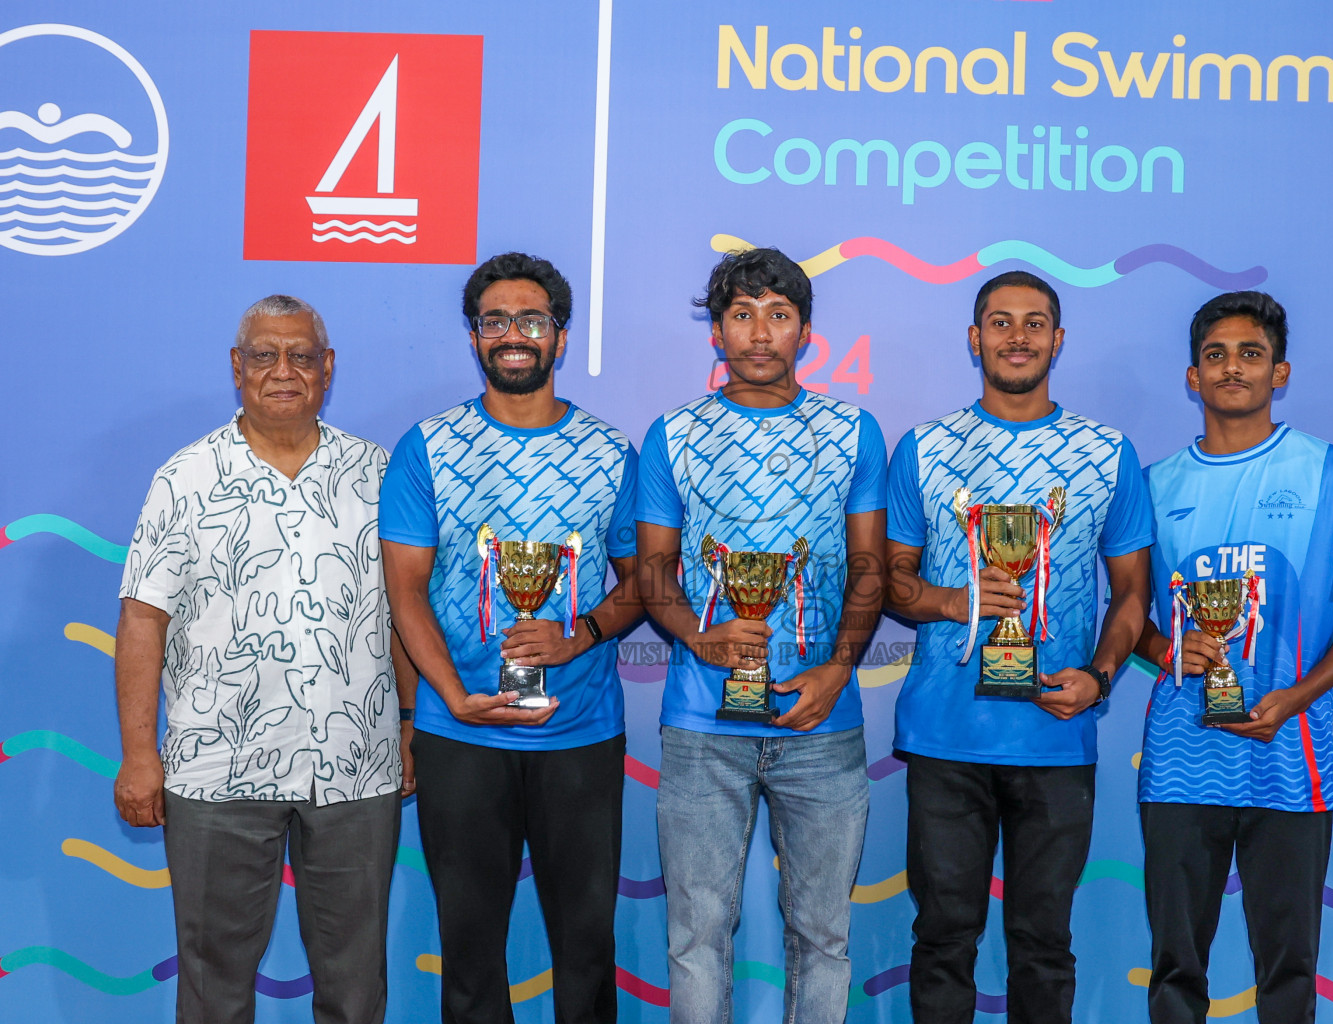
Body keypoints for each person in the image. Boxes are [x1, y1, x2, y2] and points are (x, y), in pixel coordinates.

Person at [114, 295, 409, 1024]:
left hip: (356, 766)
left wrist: (408, 725)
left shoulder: (379, 475)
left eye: (302, 355)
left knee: (356, 986)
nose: (284, 370)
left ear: (328, 367)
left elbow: (406, 615)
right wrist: (138, 755)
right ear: (237, 367)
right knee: (213, 985)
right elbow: (142, 620)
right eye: (265, 355)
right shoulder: (184, 477)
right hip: (216, 769)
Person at [380, 252, 643, 1024]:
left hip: (580, 736)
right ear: (474, 338)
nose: (513, 335)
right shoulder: (427, 447)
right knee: (468, 954)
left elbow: (643, 585)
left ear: (560, 336)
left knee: (587, 951)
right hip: (459, 734)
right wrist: (452, 697)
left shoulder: (608, 453)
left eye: (532, 320)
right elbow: (405, 593)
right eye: (495, 321)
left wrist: (578, 636)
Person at [884, 271, 1153, 1022]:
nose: (1017, 336)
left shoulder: (1106, 453)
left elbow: (1133, 593)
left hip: (1054, 737)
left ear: (1058, 341)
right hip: (945, 736)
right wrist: (958, 601)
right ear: (975, 340)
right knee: (943, 938)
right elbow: (892, 584)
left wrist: (1100, 679)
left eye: (1035, 323)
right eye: (999, 323)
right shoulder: (925, 448)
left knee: (1043, 944)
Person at [635, 247, 886, 1022]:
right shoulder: (673, 435)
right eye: (741, 314)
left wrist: (839, 669)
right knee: (698, 933)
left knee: (822, 936)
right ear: (718, 331)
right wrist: (702, 639)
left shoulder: (852, 431)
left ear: (804, 330)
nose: (759, 332)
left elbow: (869, 569)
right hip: (703, 725)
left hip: (822, 724)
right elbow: (653, 575)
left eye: (778, 314)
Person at [1133, 291, 1333, 1024]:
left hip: (1292, 756)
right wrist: (1166, 648)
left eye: (1250, 353)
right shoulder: (1153, 486)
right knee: (1175, 971)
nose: (1232, 368)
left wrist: (1298, 696)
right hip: (1183, 757)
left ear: (1280, 372)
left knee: (1289, 974)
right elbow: (1128, 621)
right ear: (1192, 376)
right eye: (1215, 355)